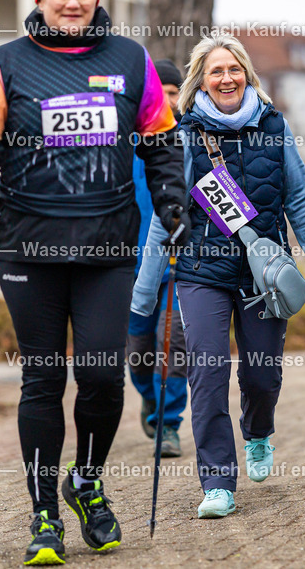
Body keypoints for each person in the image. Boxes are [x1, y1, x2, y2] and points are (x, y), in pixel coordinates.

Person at [0, 0, 188, 565]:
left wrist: (172, 201)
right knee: (42, 380)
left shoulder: (130, 60)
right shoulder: (4, 63)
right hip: (30, 248)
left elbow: (162, 142)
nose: (73, 1)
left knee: (103, 378)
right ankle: (44, 516)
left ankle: (86, 480)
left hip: (108, 248)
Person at [132, 34, 305, 519]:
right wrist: (144, 293)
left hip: (263, 274)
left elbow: (300, 199)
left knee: (262, 376)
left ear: (247, 73)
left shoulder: (273, 127)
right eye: (215, 71)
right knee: (207, 372)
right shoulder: (183, 134)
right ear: (200, 80)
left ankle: (259, 432)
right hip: (200, 271)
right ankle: (218, 482)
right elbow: (166, 216)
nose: (226, 78)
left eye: (234, 69)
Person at [126, 58, 188, 457]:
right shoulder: (127, 143)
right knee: (138, 351)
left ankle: (169, 424)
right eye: (158, 94)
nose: (166, 101)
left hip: (178, 265)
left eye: (172, 94)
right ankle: (148, 395)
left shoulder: (190, 141)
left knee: (175, 347)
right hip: (130, 265)